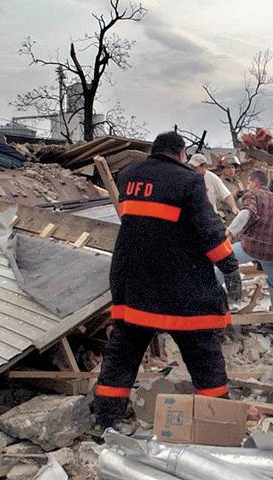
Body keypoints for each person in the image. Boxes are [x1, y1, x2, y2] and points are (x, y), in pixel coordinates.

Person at [94, 132, 240, 428]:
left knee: (122, 356)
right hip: (181, 288)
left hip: (133, 284)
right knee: (203, 354)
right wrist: (230, 266)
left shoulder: (129, 177)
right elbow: (209, 232)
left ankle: (106, 420)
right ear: (181, 153)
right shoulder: (188, 181)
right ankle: (217, 421)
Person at [227, 170, 273, 339]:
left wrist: (229, 233)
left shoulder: (252, 194)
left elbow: (246, 213)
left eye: (249, 182)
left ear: (254, 182)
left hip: (252, 245)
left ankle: (210, 312)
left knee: (219, 265)